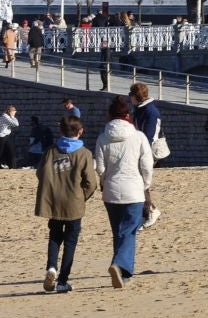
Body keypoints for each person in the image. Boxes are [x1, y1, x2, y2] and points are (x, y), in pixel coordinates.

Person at [95, 95, 154, 288]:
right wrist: (146, 184)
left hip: (111, 191)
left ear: (110, 116)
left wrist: (105, 181)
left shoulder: (103, 137)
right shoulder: (139, 137)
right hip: (134, 190)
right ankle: (119, 265)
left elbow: (100, 167)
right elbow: (147, 165)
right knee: (129, 231)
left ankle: (123, 274)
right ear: (128, 115)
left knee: (118, 232)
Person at [35, 115, 98, 293]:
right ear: (80, 131)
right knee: (70, 241)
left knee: (55, 236)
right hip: (74, 203)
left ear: (61, 130)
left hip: (54, 201)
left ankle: (51, 267)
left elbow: (40, 173)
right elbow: (91, 183)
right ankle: (62, 281)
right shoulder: (84, 153)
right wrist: (81, 196)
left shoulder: (50, 151)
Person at [129, 81, 164, 227]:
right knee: (139, 183)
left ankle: (151, 211)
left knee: (141, 183)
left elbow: (148, 136)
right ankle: (148, 212)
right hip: (140, 150)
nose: (129, 97)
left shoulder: (150, 111)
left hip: (147, 152)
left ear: (136, 96)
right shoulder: (140, 109)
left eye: (130, 94)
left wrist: (138, 153)